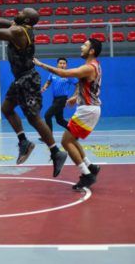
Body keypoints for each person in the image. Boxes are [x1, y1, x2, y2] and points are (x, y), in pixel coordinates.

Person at [0, 3, 67, 177]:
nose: (18, 12)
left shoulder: (20, 32)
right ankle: (24, 142)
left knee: (34, 118)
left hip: (28, 80)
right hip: (20, 79)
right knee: (6, 108)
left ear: (27, 19)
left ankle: (56, 153)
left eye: (22, 12)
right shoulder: (18, 26)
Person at [33, 38, 102, 191]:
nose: (81, 46)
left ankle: (87, 175)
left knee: (65, 142)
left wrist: (41, 64)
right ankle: (91, 166)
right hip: (88, 108)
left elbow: (63, 73)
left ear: (91, 51)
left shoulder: (89, 67)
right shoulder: (94, 66)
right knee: (72, 139)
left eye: (84, 45)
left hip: (88, 110)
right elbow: (87, 87)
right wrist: (76, 97)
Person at [41, 57, 78, 134]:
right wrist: (45, 87)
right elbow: (48, 82)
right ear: (57, 64)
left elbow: (78, 85)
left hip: (62, 99)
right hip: (55, 99)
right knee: (60, 120)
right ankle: (75, 132)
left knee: (47, 115)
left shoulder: (68, 75)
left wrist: (74, 96)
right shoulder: (52, 73)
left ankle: (49, 136)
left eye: (64, 63)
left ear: (66, 65)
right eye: (60, 63)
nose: (62, 65)